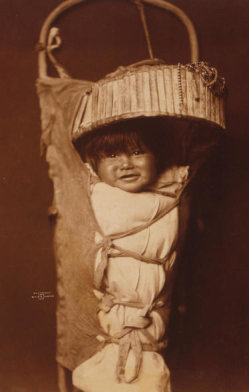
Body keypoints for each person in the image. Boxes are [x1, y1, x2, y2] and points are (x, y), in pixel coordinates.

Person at [72, 117, 190, 392]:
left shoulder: (173, 196)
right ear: (96, 165)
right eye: (112, 155)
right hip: (106, 322)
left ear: (157, 158)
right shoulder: (96, 198)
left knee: (146, 377)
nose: (126, 163)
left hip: (150, 321)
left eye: (138, 152)